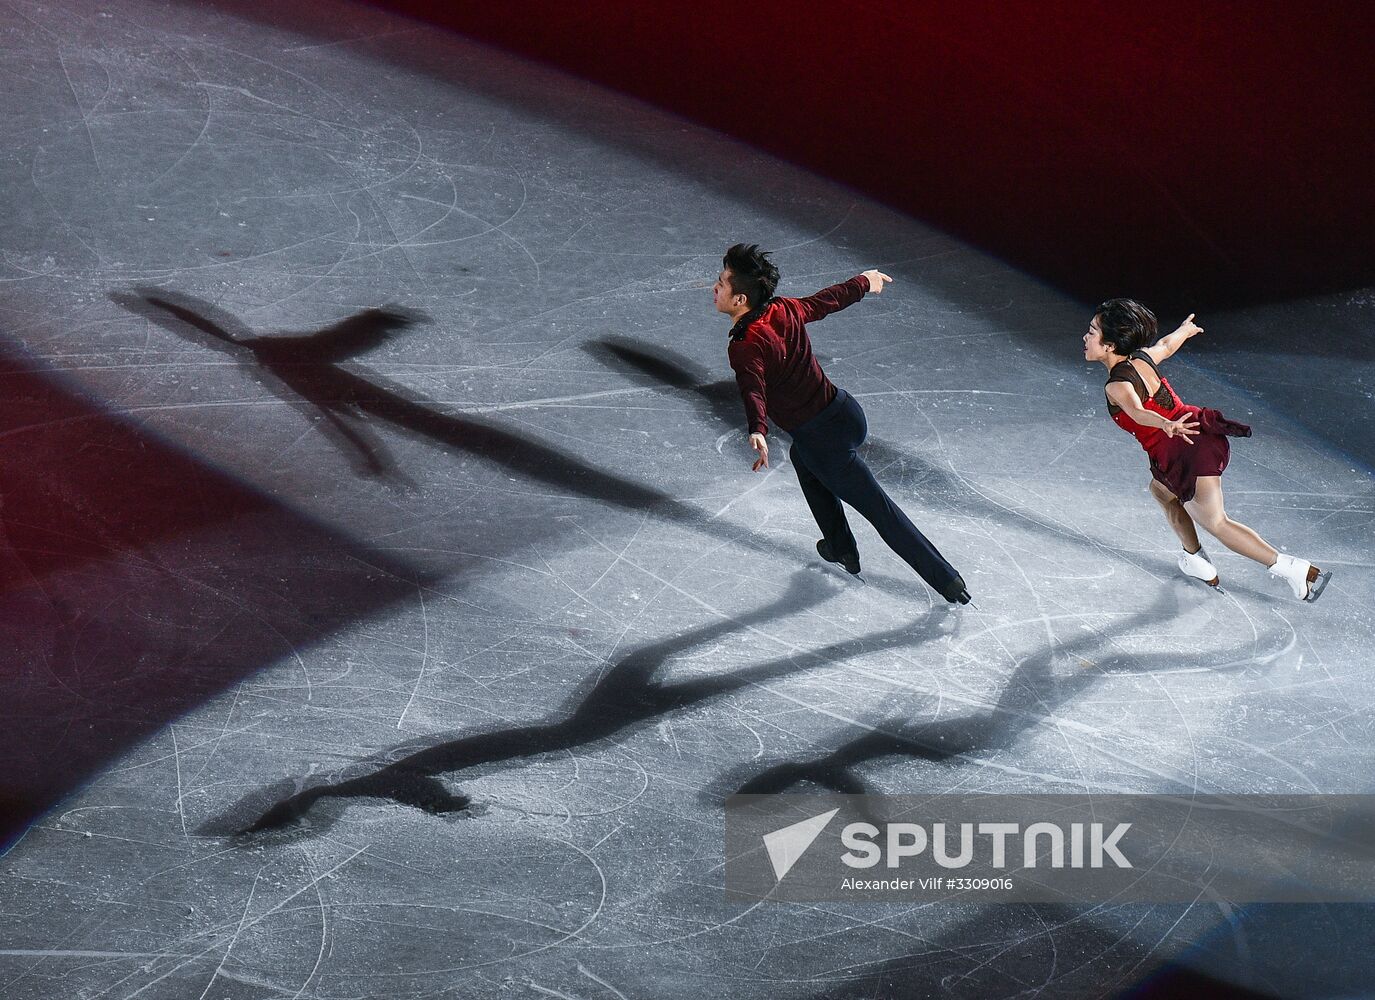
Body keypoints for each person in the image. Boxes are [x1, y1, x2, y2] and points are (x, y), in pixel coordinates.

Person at [714, 243, 971, 605]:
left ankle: (947, 580)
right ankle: (841, 547)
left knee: (879, 510)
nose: (715, 288)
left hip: (823, 439)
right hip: (846, 413)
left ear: (740, 299)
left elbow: (752, 386)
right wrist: (864, 281)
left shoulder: (744, 344)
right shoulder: (783, 308)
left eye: (722, 283)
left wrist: (758, 428)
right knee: (803, 460)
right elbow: (826, 301)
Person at [1084, 298, 1330, 601]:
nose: (1085, 337)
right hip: (1190, 434)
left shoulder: (1116, 386)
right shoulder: (1142, 358)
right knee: (1161, 491)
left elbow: (1136, 411)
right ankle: (1196, 559)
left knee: (1216, 522)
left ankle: (1291, 567)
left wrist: (1164, 424)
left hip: (1184, 447)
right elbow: (1166, 346)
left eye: (1092, 332)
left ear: (1109, 345)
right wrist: (1184, 331)